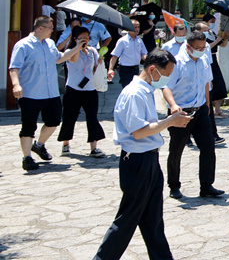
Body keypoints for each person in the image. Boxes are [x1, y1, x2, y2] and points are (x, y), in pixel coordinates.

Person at [86, 49, 195, 260]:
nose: (167, 80)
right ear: (153, 69)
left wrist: (170, 120)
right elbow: (138, 132)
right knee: (127, 220)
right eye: (166, 74)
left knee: (153, 218)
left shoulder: (145, 90)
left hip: (149, 158)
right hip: (137, 162)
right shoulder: (134, 93)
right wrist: (170, 121)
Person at [9, 16, 87, 171]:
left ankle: (39, 145)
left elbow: (59, 59)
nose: (52, 30)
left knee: (54, 121)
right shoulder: (23, 45)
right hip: (30, 93)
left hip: (51, 93)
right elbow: (14, 67)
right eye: (50, 28)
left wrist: (78, 47)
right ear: (40, 28)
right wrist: (16, 84)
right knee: (28, 126)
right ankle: (27, 158)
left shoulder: (50, 44)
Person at [161, 31, 223, 200]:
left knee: (208, 147)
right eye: (198, 48)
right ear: (188, 46)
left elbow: (206, 83)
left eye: (203, 47)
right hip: (181, 112)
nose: (201, 50)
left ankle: (206, 185)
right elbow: (166, 87)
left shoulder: (203, 61)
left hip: (201, 110)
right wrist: (173, 106)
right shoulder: (177, 63)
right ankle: (174, 185)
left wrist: (207, 105)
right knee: (177, 149)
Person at [58, 25, 107, 157]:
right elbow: (73, 59)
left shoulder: (92, 51)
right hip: (73, 89)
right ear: (75, 38)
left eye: (87, 37)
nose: (85, 39)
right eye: (81, 37)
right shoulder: (71, 51)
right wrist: (78, 47)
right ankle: (65, 144)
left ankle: (94, 147)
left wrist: (100, 63)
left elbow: (94, 69)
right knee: (69, 117)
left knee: (92, 118)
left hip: (90, 89)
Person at [108, 19, 149, 88]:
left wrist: (145, 57)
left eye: (138, 27)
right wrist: (110, 69)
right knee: (127, 88)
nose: (137, 29)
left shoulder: (139, 40)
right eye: (135, 27)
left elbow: (143, 53)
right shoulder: (122, 41)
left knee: (135, 88)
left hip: (136, 68)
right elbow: (115, 56)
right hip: (125, 69)